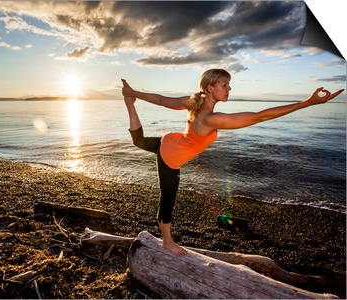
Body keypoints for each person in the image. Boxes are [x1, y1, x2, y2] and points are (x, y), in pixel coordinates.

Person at [121, 69, 344, 257]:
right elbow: (260, 116)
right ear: (210, 88)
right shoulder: (209, 119)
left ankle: (129, 103)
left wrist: (133, 93)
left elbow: (160, 100)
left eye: (229, 85)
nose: (229, 89)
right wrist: (307, 103)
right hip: (171, 158)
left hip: (169, 140)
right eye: (225, 85)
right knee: (167, 199)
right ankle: (167, 242)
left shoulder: (193, 102)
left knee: (139, 141)